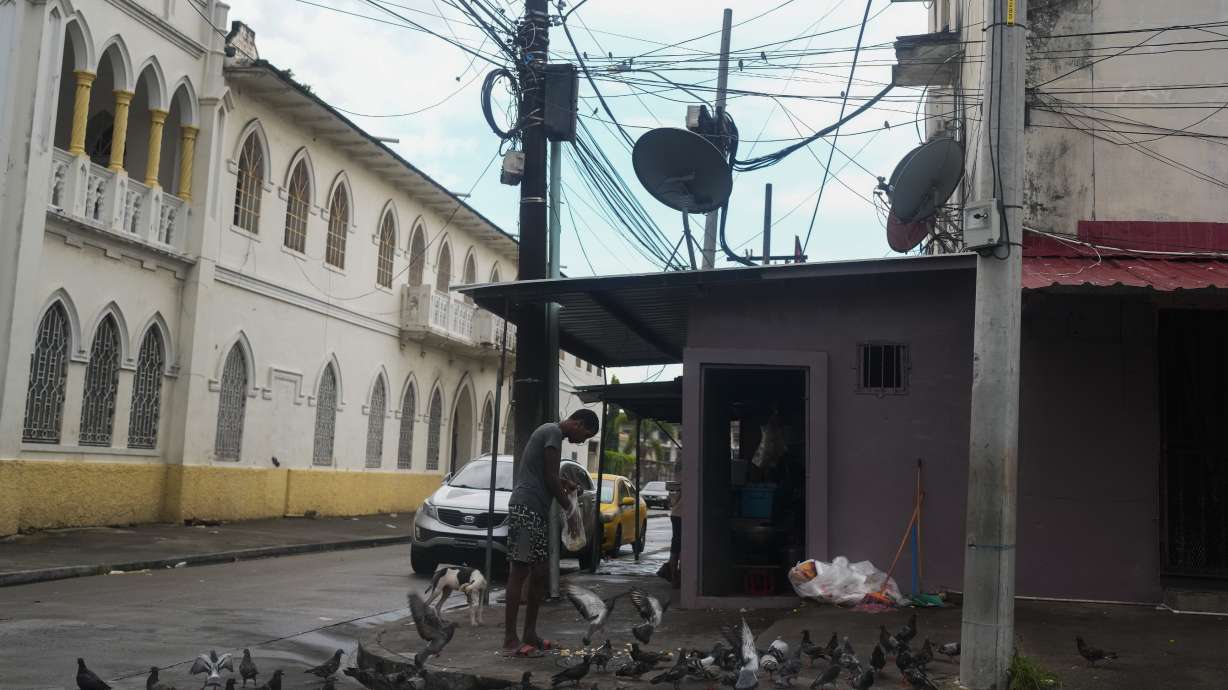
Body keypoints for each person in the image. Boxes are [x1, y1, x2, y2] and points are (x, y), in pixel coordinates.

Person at [503, 408, 600, 657]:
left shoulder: (553, 434)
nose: (582, 441)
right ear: (578, 423)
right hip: (525, 508)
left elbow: (548, 473)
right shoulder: (552, 432)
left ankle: (530, 634)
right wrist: (571, 512)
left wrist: (564, 483)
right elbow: (548, 478)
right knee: (519, 571)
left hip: (537, 511)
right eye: (585, 435)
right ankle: (510, 639)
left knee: (540, 572)